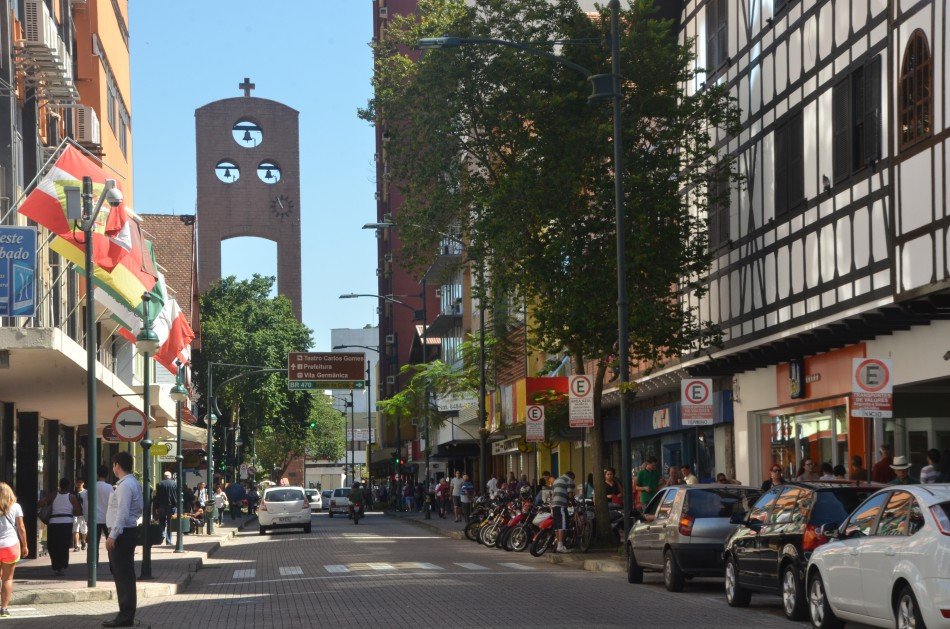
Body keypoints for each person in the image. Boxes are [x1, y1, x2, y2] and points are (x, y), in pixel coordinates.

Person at [105, 451, 143, 628]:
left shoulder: (125, 485)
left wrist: (113, 535)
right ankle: (125, 613)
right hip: (126, 532)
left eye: (113, 465)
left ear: (117, 466)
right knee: (123, 574)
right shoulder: (130, 483)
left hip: (122, 534)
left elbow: (122, 512)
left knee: (123, 575)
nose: (113, 468)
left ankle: (125, 615)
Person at [0, 482, 28, 618]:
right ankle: (4, 608)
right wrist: (25, 545)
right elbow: (21, 528)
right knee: (7, 578)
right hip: (10, 546)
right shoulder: (16, 507)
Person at [44, 477, 81, 576]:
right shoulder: (72, 497)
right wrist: (69, 511)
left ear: (60, 485)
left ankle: (56, 566)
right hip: (66, 523)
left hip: (53, 523)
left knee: (53, 545)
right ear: (69, 486)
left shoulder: (53, 495)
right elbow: (78, 511)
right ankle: (62, 566)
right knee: (64, 545)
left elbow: (42, 502)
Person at [551, 471, 576, 553]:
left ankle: (559, 544)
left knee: (557, 526)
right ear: (571, 476)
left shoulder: (557, 480)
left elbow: (554, 493)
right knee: (562, 524)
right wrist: (573, 502)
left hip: (554, 505)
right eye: (573, 479)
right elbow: (570, 494)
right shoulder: (569, 480)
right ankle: (560, 546)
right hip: (561, 505)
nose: (573, 480)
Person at [154, 471, 178, 545]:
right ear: (170, 476)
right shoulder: (174, 483)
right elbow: (176, 494)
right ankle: (169, 540)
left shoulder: (159, 484)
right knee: (170, 523)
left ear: (164, 476)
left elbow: (157, 496)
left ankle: (162, 535)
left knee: (162, 522)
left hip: (162, 506)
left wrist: (157, 507)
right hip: (172, 506)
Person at [94, 465, 114, 546]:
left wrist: (87, 519)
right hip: (107, 519)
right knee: (110, 543)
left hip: (95, 519)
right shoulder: (109, 488)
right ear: (107, 475)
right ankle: (111, 558)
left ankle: (94, 558)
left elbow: (86, 503)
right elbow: (113, 504)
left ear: (97, 474)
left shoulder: (92, 486)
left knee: (94, 545)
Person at [73, 478, 88, 552]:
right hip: (75, 514)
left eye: (81, 482)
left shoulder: (86, 492)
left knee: (84, 531)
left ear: (83, 483)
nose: (79, 484)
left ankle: (83, 541)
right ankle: (76, 545)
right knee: (75, 530)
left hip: (83, 514)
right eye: (78, 482)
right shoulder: (73, 493)